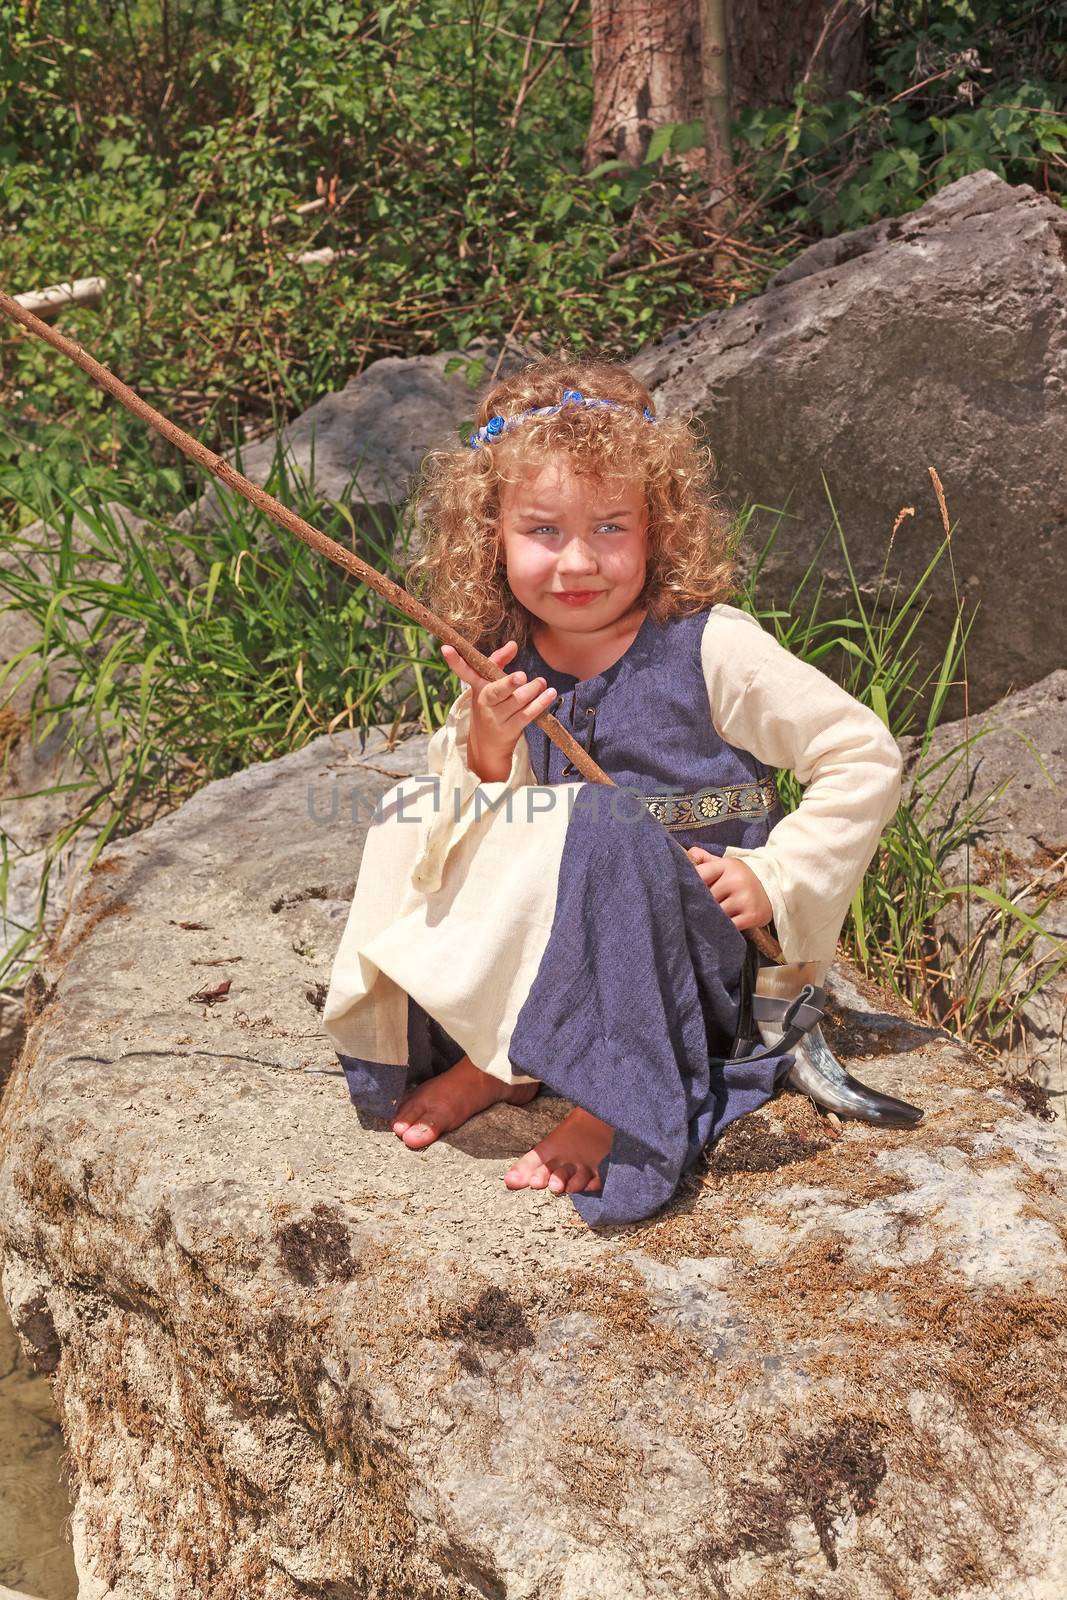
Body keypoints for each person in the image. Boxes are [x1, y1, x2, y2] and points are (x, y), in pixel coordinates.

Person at [322, 354, 903, 1228]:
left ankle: (609, 1097)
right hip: (554, 939)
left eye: (610, 527)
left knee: (599, 823)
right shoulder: (503, 658)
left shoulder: (710, 649)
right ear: (492, 535)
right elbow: (474, 827)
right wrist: (487, 742)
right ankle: (504, 1059)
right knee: (411, 813)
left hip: (687, 948)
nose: (578, 561)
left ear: (659, 530)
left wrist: (775, 875)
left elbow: (860, 754)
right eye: (543, 531)